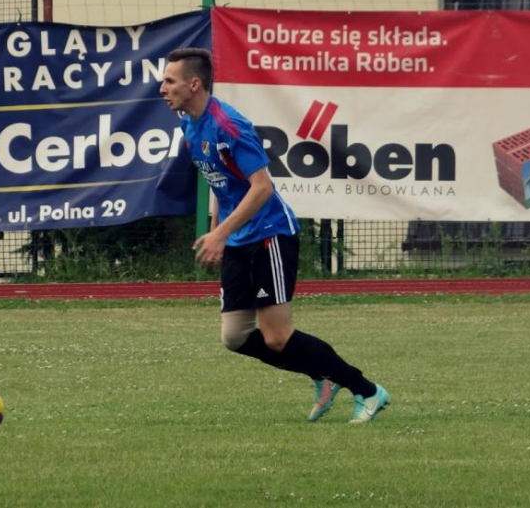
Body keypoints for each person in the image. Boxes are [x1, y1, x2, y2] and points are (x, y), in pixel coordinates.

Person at [159, 47, 390, 423]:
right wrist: (220, 231)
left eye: (169, 80)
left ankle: (367, 390)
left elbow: (261, 187)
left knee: (277, 336)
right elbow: (222, 185)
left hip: (270, 234)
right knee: (234, 336)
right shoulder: (189, 123)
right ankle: (321, 373)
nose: (162, 88)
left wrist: (220, 234)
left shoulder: (229, 125)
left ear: (194, 83)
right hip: (237, 239)